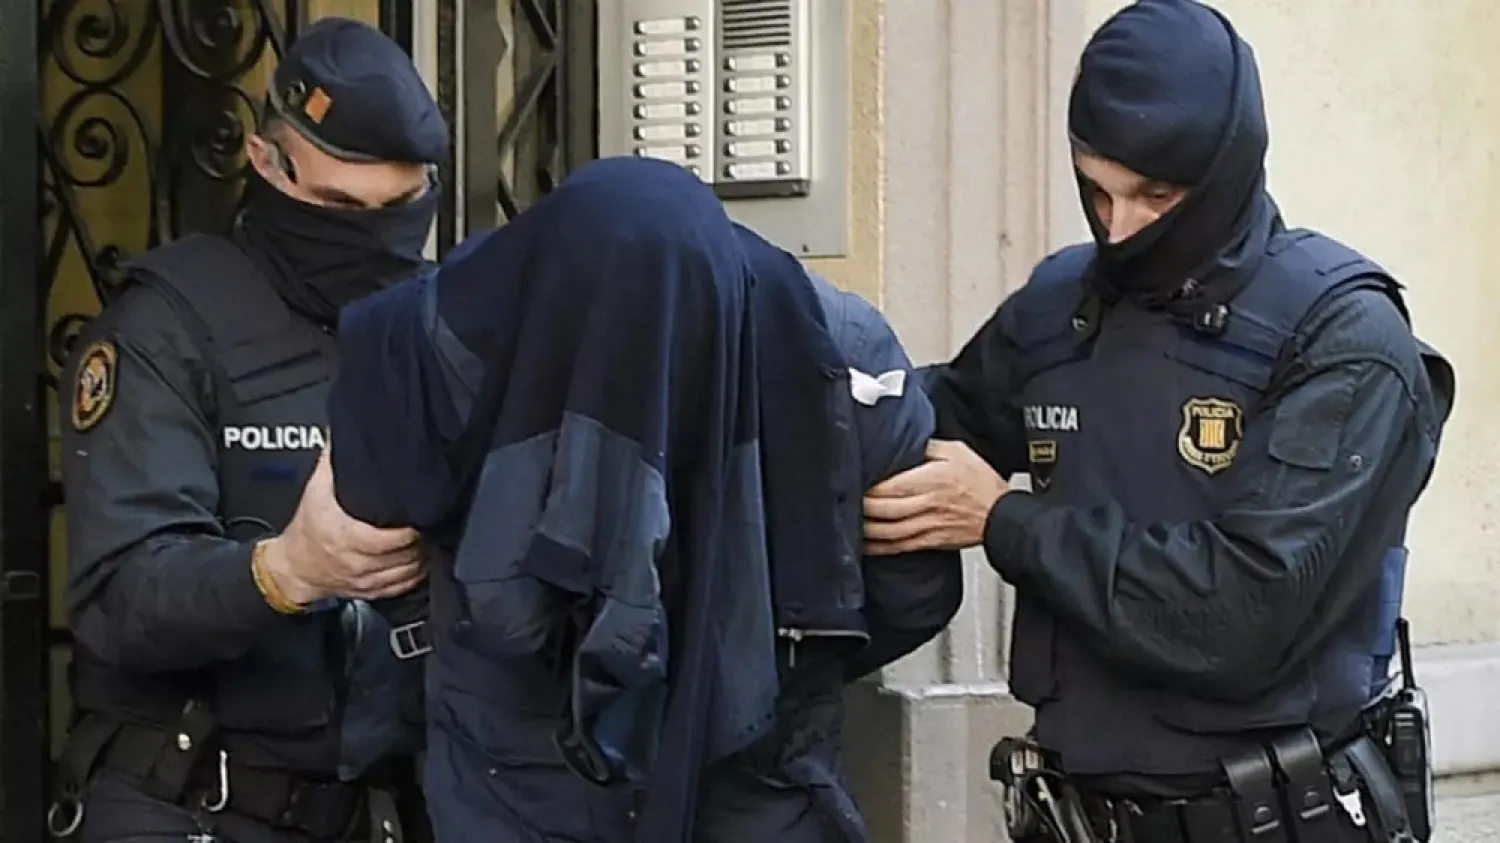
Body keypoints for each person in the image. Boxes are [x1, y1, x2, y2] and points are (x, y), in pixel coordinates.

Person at [862, 2, 1455, 842]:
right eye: (1096, 190)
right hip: (1078, 812)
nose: (1122, 227)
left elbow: (1244, 610)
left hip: (1276, 814)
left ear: (1228, 169)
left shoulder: (1345, 336)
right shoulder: (1058, 306)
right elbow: (926, 425)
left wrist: (1004, 520)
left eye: (1157, 195)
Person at [319, 155, 964, 843]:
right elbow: (372, 542)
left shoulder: (450, 324)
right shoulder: (832, 341)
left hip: (579, 772)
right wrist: (753, 658)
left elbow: (912, 577)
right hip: (625, 772)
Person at [53, 17, 445, 843]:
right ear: (266, 162)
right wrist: (287, 569)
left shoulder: (439, 324)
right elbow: (120, 595)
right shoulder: (166, 327)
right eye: (338, 205)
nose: (373, 235)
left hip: (385, 799)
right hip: (193, 801)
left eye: (402, 207)